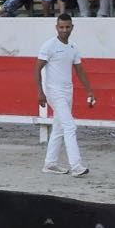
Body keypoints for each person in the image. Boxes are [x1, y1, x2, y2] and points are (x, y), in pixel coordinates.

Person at [36, 13, 94, 178]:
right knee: (70, 126)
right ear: (56, 27)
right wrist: (40, 92)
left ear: (72, 27)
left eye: (67, 27)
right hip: (54, 91)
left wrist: (89, 90)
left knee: (59, 127)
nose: (64, 30)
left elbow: (79, 70)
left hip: (68, 91)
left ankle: (50, 163)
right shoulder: (49, 45)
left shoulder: (73, 47)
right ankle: (76, 166)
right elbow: (37, 69)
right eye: (61, 27)